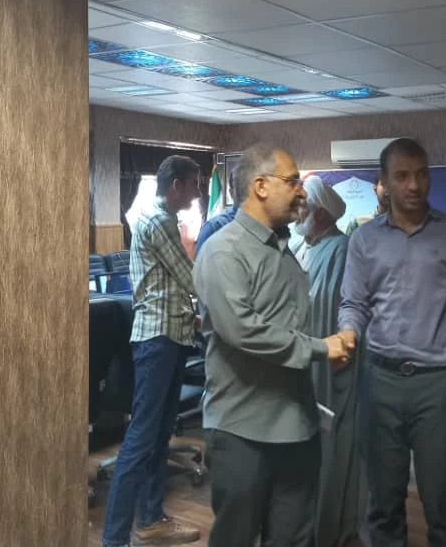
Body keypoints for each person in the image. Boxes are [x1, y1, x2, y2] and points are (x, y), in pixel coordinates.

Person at [193, 143, 354, 547]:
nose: (302, 190)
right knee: (236, 538)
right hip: (243, 432)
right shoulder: (223, 250)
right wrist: (321, 348)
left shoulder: (284, 249)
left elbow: (291, 321)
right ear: (261, 186)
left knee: (294, 539)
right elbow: (244, 330)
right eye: (293, 181)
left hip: (297, 426)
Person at [338, 137, 446, 547]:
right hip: (380, 382)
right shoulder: (364, 240)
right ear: (384, 182)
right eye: (402, 176)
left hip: (439, 385)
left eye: (421, 174)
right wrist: (348, 332)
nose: (414, 185)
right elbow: (354, 303)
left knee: (442, 501)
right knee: (383, 501)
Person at [102, 156, 204, 547]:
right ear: (176, 185)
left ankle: (151, 519)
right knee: (142, 438)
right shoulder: (159, 221)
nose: (198, 192)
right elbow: (190, 277)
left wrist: (194, 315)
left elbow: (169, 285)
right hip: (158, 340)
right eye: (194, 184)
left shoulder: (159, 218)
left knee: (159, 433)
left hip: (171, 335)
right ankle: (114, 538)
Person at [289, 176, 366, 547]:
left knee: (328, 445)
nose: (296, 213)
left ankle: (328, 528)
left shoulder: (340, 250)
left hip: (327, 368)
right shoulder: (303, 246)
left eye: (302, 206)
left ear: (319, 214)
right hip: (301, 363)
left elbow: (329, 311)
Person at [195, 166, 240, 258]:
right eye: (242, 188)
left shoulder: (268, 224)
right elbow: (201, 264)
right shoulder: (213, 228)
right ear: (231, 193)